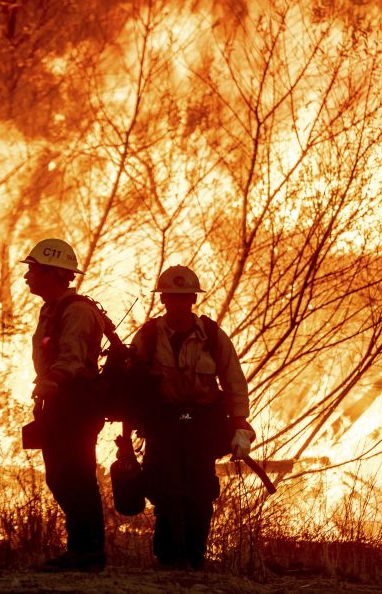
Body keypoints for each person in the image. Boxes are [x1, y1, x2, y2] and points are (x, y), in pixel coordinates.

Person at [129, 265, 255, 571]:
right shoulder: (147, 337)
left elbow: (234, 382)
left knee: (199, 491)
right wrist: (131, 425)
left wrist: (240, 425)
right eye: (172, 297)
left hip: (202, 425)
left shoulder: (212, 336)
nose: (178, 303)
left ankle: (194, 557)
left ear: (192, 299)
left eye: (184, 297)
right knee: (165, 488)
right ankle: (170, 558)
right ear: (163, 300)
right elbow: (130, 384)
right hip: (163, 424)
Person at [21, 238, 107, 572]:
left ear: (54, 273)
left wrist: (52, 381)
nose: (27, 277)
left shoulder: (78, 311)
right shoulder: (53, 309)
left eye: (33, 270)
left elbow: (71, 358)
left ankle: (88, 552)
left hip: (76, 403)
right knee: (60, 476)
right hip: (59, 402)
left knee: (76, 475)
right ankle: (83, 550)